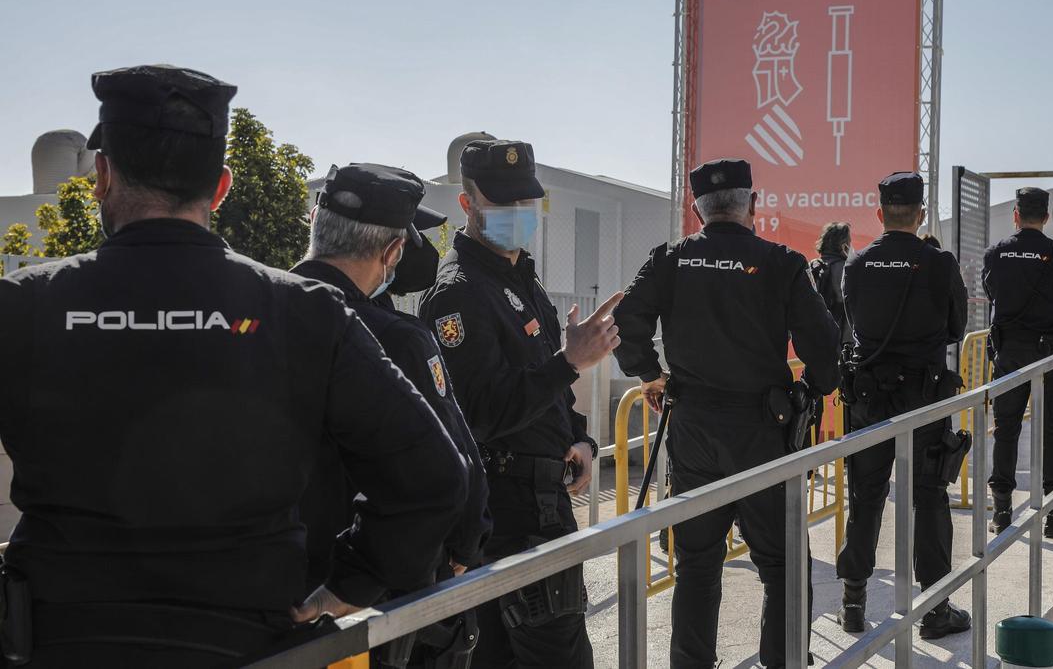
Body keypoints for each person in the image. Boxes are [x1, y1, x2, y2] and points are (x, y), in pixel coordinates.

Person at [0, 65, 468, 667]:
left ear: (102, 176)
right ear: (220, 188)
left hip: (59, 641)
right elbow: (433, 477)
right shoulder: (302, 312)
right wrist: (352, 582)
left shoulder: (21, 305)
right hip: (251, 644)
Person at [613, 158, 839, 669]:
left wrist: (651, 374)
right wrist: (812, 388)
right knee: (782, 566)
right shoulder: (781, 262)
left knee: (696, 564)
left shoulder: (672, 259)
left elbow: (628, 317)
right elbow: (824, 347)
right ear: (752, 205)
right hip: (764, 433)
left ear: (697, 209)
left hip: (693, 430)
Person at [420, 140, 618, 669]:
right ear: (467, 204)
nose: (518, 214)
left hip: (543, 498)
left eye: (525, 203)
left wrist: (578, 435)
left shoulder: (521, 277)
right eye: (502, 204)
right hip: (505, 510)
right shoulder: (457, 293)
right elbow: (481, 412)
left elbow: (545, 386)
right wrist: (568, 362)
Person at [291, 163, 492, 667]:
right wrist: (465, 549)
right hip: (377, 596)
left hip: (277, 589)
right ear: (392, 253)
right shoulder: (399, 337)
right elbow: (455, 464)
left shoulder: (251, 316)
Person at [836, 171, 970, 639]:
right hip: (926, 398)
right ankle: (935, 609)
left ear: (880, 213)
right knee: (929, 496)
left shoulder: (856, 265)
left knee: (865, 497)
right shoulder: (939, 263)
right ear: (921, 214)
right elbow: (957, 327)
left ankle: (853, 601)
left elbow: (855, 323)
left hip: (871, 398)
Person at [981, 188, 1053, 538]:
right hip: (1049, 354)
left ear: (1016, 215)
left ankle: (1002, 512)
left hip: (1008, 353)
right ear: (1047, 218)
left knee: (1005, 429)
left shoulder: (997, 254)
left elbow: (992, 296)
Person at [811, 221, 853, 344]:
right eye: (850, 242)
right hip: (844, 343)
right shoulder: (849, 269)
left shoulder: (812, 267)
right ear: (843, 245)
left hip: (815, 341)